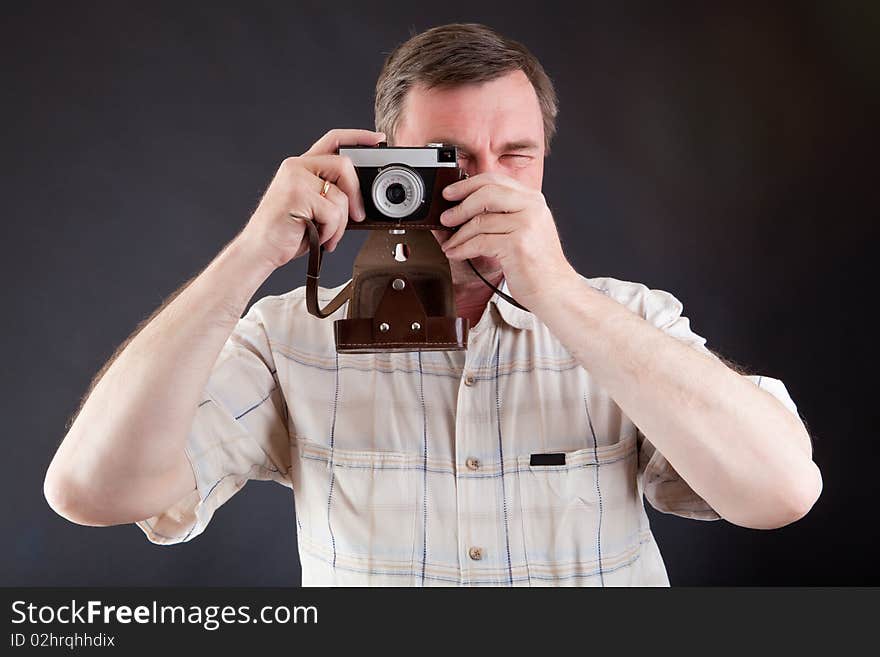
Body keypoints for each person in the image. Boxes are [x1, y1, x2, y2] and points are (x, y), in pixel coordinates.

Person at [43, 23, 822, 586]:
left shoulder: (630, 323)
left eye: (514, 155)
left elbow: (782, 491)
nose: (484, 184)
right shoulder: (294, 337)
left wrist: (554, 292)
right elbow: (90, 491)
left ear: (544, 161)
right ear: (386, 165)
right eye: (446, 163)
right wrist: (251, 254)